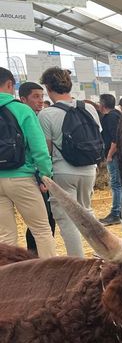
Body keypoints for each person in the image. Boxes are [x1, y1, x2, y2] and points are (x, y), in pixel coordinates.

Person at [38, 67, 102, 257]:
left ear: (49, 87)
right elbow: (97, 135)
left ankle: (78, 262)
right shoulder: (88, 107)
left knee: (67, 219)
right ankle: (101, 255)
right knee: (87, 212)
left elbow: (46, 149)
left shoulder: (47, 114)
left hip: (63, 170)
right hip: (89, 169)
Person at [0, 67, 56, 258]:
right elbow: (39, 148)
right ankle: (50, 278)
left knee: (5, 236)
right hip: (21, 177)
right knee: (41, 230)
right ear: (9, 84)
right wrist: (45, 175)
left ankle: (6, 279)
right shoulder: (21, 109)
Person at [18, 81, 56, 254]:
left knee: (7, 232)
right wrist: (45, 176)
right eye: (36, 96)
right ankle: (39, 259)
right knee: (43, 224)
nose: (40, 101)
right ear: (23, 98)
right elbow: (40, 151)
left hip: (8, 176)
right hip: (28, 176)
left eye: (42, 96)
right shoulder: (28, 116)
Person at [98, 94, 122, 225]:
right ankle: (121, 212)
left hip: (114, 155)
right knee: (119, 184)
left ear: (102, 105)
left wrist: (109, 155)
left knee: (116, 184)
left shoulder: (110, 118)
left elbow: (115, 139)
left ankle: (115, 213)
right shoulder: (117, 115)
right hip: (118, 155)